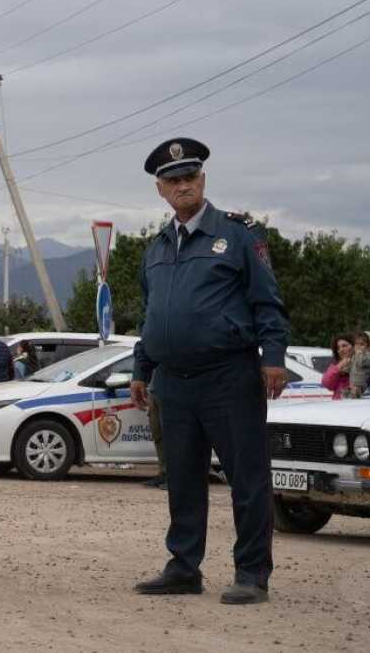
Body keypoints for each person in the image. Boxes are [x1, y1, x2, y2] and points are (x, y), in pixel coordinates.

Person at [130, 138, 289, 605]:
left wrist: (273, 358)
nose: (183, 185)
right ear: (160, 189)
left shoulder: (238, 235)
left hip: (229, 376)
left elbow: (268, 301)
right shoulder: (156, 249)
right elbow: (151, 315)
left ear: (202, 179)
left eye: (190, 177)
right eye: (173, 180)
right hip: (173, 382)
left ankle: (252, 573)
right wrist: (142, 368)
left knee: (247, 479)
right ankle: (183, 568)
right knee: (182, 479)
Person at [143, 373, 168, 490]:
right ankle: (164, 473)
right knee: (158, 436)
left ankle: (175, 477)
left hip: (170, 391)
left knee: (172, 438)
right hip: (154, 391)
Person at [320, 334, 355, 400]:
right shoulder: (337, 365)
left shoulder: (361, 363)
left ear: (353, 346)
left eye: (344, 346)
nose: (341, 350)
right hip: (338, 403)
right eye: (338, 348)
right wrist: (340, 366)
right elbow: (327, 383)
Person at [348, 332, 370, 398]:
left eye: (362, 344)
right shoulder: (354, 355)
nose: (358, 346)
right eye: (356, 344)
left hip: (363, 386)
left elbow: (361, 363)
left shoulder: (369, 355)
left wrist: (359, 354)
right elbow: (353, 368)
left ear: (367, 346)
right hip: (353, 385)